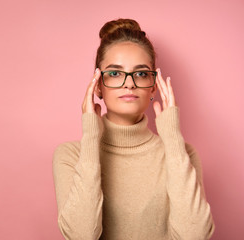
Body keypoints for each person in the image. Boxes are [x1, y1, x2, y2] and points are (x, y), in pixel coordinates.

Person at [52, 18, 215, 240]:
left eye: (140, 73)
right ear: (98, 85)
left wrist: (172, 138)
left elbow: (195, 235)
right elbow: (81, 235)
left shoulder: (183, 153)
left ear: (153, 87)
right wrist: (91, 135)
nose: (129, 83)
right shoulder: (71, 154)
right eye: (114, 73)